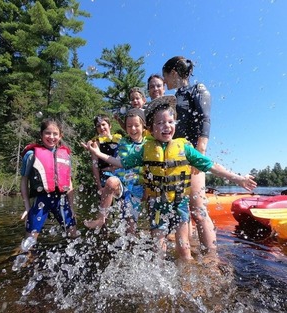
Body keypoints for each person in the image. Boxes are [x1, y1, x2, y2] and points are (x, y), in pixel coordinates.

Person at [85, 97, 257, 263]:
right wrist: (99, 154)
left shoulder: (184, 148)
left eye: (169, 122)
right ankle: (158, 280)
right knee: (158, 248)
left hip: (180, 203)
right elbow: (121, 162)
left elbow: (210, 165)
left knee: (184, 247)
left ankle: (188, 275)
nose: (166, 126)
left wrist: (238, 179)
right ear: (151, 129)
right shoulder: (146, 149)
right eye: (160, 123)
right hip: (157, 203)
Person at [162, 56, 216, 254]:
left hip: (192, 156)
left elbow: (205, 119)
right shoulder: (175, 97)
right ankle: (191, 250)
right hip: (177, 158)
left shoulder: (197, 89)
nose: (164, 80)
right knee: (184, 209)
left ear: (174, 73)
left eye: (165, 75)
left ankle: (211, 258)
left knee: (198, 211)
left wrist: (200, 153)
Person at [82, 108, 146, 235]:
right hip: (117, 181)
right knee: (110, 184)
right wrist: (96, 152)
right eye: (98, 126)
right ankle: (101, 221)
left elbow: (123, 162)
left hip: (136, 186)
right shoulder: (103, 142)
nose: (133, 129)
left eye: (104, 124)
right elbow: (114, 162)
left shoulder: (126, 141)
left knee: (130, 229)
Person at [20, 118, 78, 251]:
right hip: (41, 200)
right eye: (47, 133)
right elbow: (24, 181)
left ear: (60, 135)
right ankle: (23, 259)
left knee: (74, 236)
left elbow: (69, 182)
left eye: (55, 134)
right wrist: (27, 208)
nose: (51, 137)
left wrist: (72, 207)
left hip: (61, 200)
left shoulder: (65, 156)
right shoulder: (30, 155)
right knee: (29, 242)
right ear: (41, 135)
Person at [91, 114, 122, 194]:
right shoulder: (96, 143)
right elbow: (95, 166)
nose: (101, 128)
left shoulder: (119, 140)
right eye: (98, 126)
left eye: (103, 124)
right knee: (106, 205)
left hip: (121, 175)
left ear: (110, 125)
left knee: (124, 204)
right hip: (105, 176)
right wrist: (99, 186)